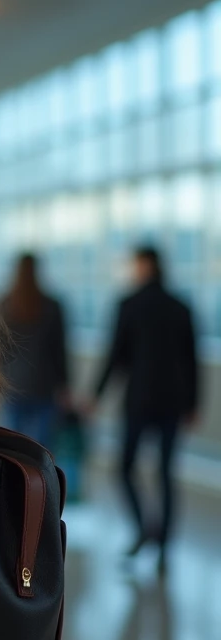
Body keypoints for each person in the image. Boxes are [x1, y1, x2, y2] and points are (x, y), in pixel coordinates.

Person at [92, 246, 199, 573]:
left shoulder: (128, 304)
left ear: (143, 266)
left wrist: (96, 395)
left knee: (125, 467)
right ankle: (163, 547)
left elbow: (115, 356)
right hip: (173, 403)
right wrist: (194, 404)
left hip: (138, 401)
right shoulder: (181, 307)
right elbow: (192, 360)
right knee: (166, 474)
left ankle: (143, 529)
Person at [0, 253, 69, 448]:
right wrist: (65, 385)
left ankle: (19, 480)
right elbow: (59, 351)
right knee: (43, 450)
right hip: (44, 384)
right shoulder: (52, 306)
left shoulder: (2, 306)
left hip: (13, 385)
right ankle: (43, 480)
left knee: (14, 448)